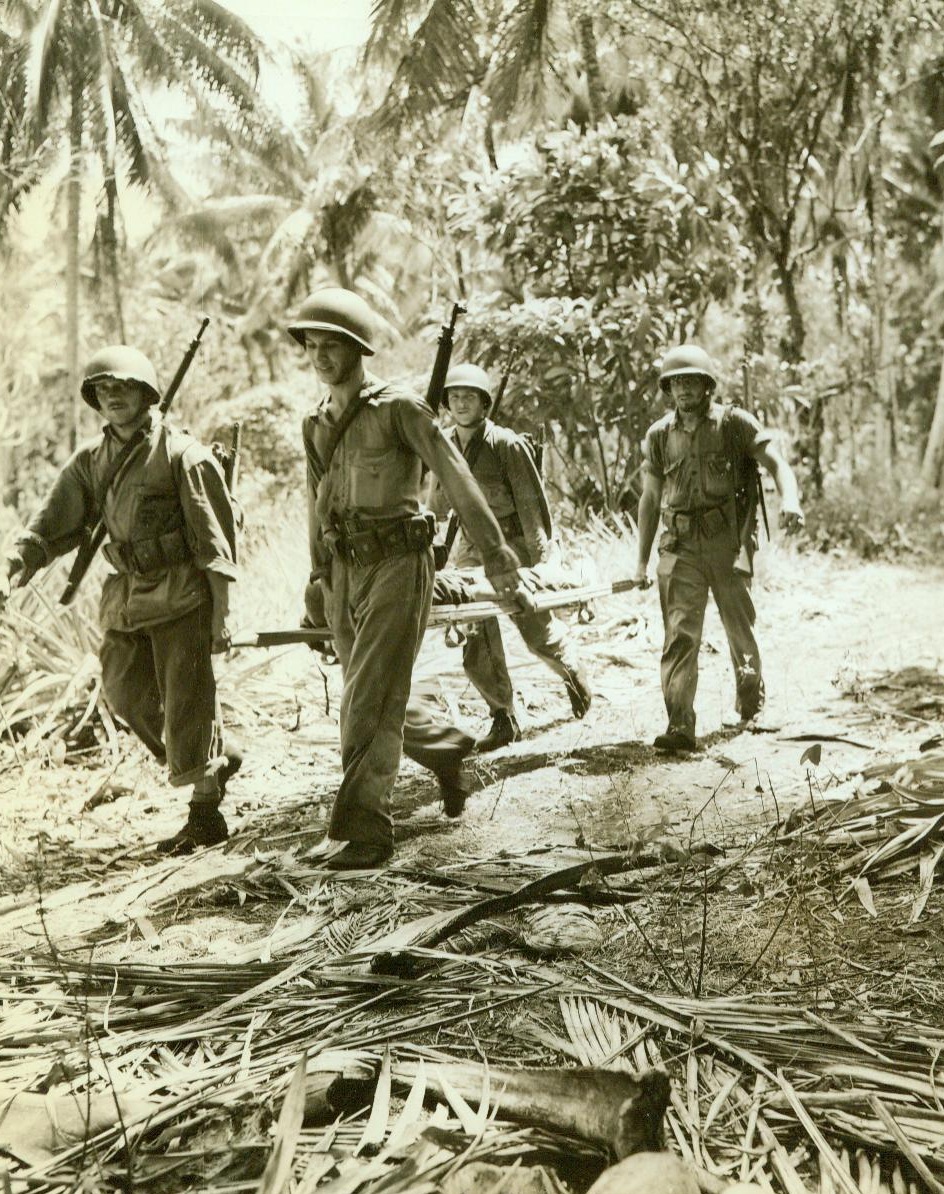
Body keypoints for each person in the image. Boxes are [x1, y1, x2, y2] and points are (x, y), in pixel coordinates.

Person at [290, 288, 535, 871]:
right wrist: (317, 579)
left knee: (368, 696)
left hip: (401, 563)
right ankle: (446, 749)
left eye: (333, 346)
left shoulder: (399, 409)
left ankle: (364, 830)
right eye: (313, 346)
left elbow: (457, 479)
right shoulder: (316, 424)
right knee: (369, 690)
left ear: (358, 349)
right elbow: (316, 503)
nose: (321, 357)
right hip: (347, 569)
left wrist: (500, 562)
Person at [0, 346, 240, 851]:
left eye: (123, 387)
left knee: (187, 701)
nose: (112, 397)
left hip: (181, 594)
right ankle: (216, 758)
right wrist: (14, 563)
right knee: (125, 693)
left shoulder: (182, 456)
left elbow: (214, 545)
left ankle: (205, 814)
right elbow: (52, 525)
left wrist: (222, 617)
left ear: (147, 394)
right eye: (103, 390)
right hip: (127, 596)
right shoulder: (91, 460)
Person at [634, 344, 804, 752]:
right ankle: (679, 726)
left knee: (738, 626)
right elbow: (650, 498)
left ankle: (750, 705)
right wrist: (640, 562)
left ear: (707, 386)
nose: (685, 390)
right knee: (679, 634)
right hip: (679, 545)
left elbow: (777, 464)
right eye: (677, 383)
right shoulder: (659, 436)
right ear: (668, 389)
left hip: (726, 543)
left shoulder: (734, 424)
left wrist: (792, 501)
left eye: (692, 381)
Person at [431, 363, 592, 751]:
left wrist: (541, 565)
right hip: (471, 548)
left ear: (485, 403)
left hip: (513, 544)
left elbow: (531, 507)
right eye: (454, 396)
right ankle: (503, 717)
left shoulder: (506, 444)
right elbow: (436, 505)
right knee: (475, 629)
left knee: (536, 630)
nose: (461, 402)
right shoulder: (443, 446)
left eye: (469, 396)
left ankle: (571, 672)